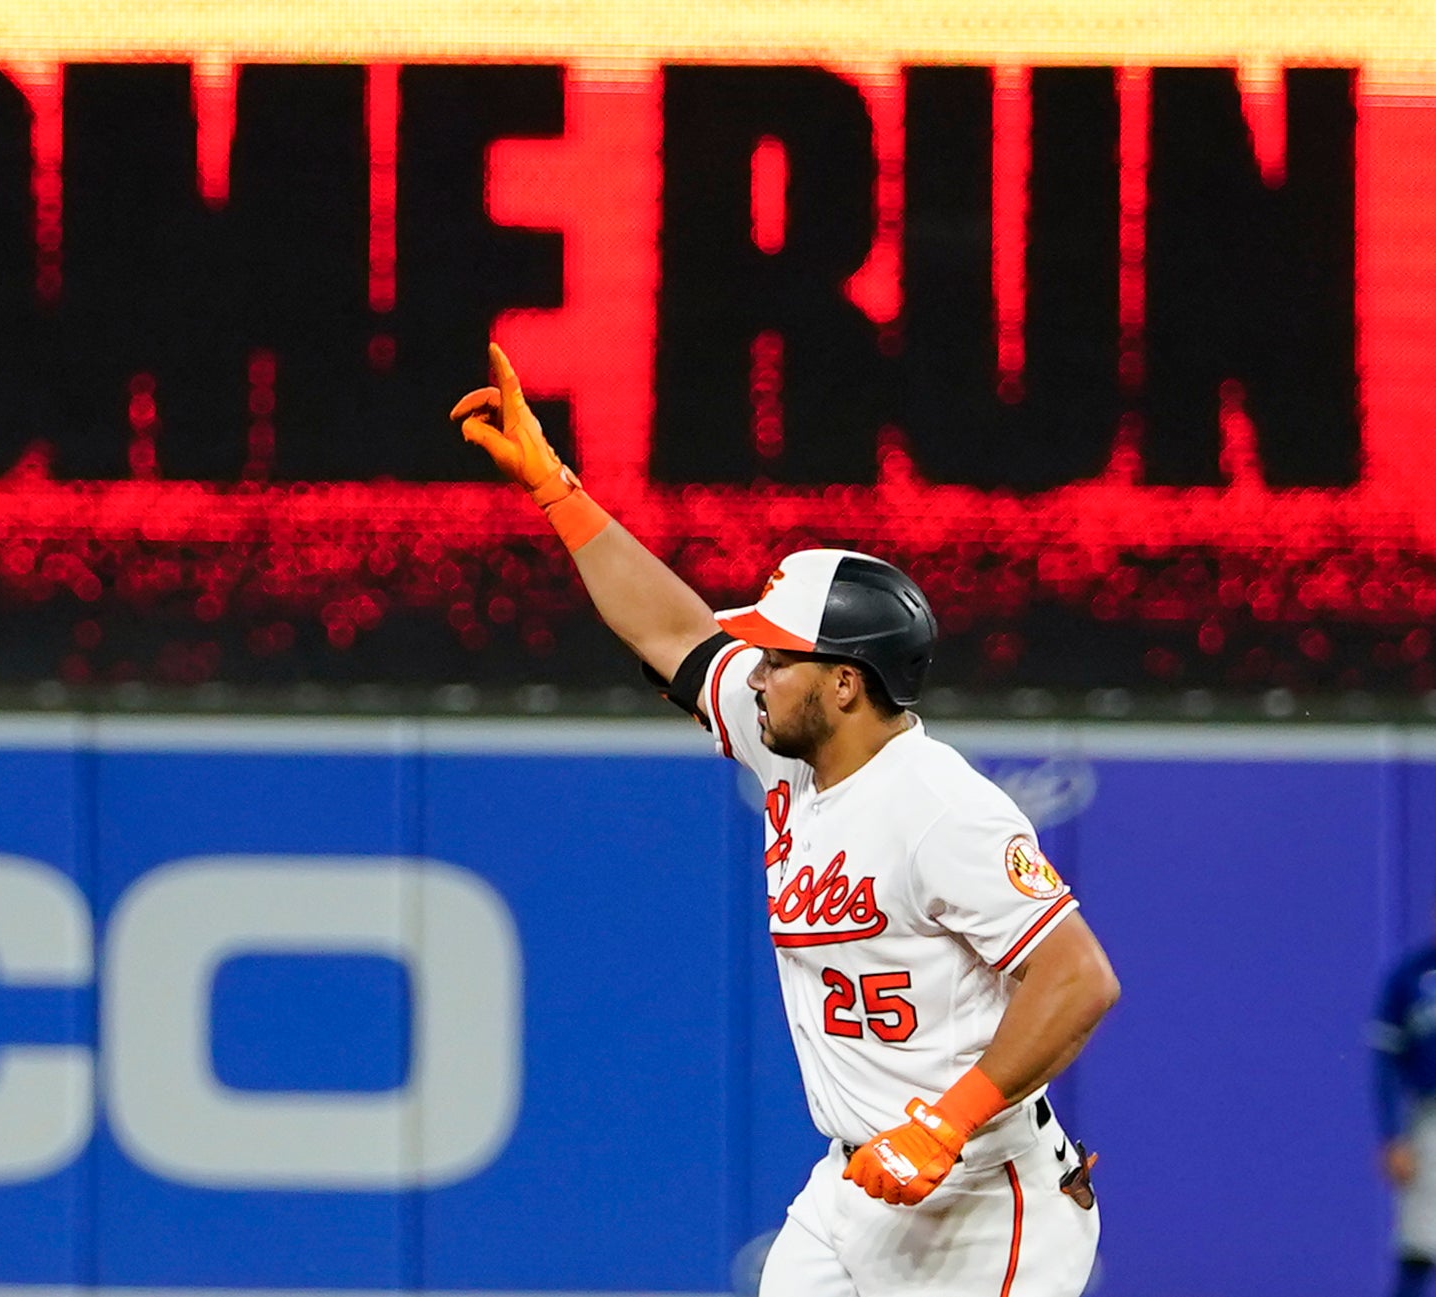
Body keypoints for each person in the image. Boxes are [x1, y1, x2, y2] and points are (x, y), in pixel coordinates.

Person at [451, 345, 1120, 1297]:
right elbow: (673, 633)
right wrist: (559, 491)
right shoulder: (789, 748)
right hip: (851, 1185)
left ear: (845, 682)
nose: (754, 671)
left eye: (777, 657)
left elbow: (1078, 976)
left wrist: (945, 1120)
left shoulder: (939, 804)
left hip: (983, 1192)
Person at [1372, 927, 1436, 1297]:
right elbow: (1384, 1060)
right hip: (1430, 1121)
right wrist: (1391, 1135)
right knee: (1420, 1248)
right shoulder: (1410, 975)